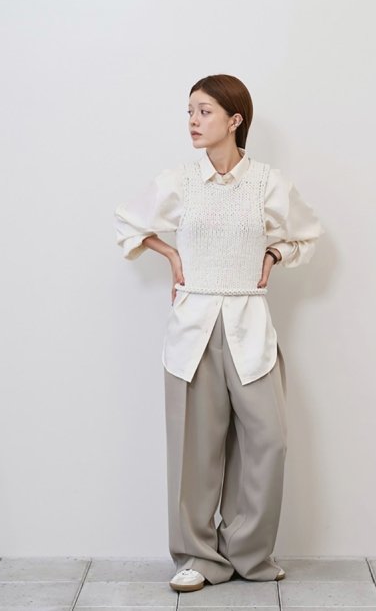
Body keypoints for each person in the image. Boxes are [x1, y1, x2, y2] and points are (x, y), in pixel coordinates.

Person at [114, 74, 325, 592]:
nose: (192, 121)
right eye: (189, 111)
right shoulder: (179, 181)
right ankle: (197, 558)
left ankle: (249, 553)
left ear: (235, 120)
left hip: (250, 324)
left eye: (204, 111)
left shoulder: (268, 183)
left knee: (269, 441)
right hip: (193, 326)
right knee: (195, 449)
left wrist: (274, 253)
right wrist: (169, 254)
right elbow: (128, 223)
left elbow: (307, 234)